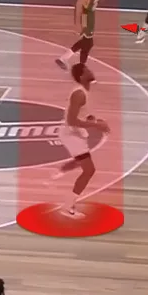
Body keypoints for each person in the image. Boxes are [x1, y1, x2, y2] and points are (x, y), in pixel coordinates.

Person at [51, 64, 110, 218]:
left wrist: (96, 121)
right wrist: (97, 125)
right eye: (87, 70)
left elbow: (85, 114)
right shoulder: (79, 94)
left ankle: (61, 170)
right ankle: (68, 206)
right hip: (70, 134)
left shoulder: (85, 91)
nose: (91, 71)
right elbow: (71, 120)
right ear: (82, 76)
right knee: (89, 170)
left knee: (81, 162)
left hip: (76, 133)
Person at [56, 0, 109, 69]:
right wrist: (77, 23)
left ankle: (69, 61)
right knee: (87, 42)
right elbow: (80, 2)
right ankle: (72, 63)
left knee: (88, 42)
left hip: (90, 14)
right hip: (86, 14)